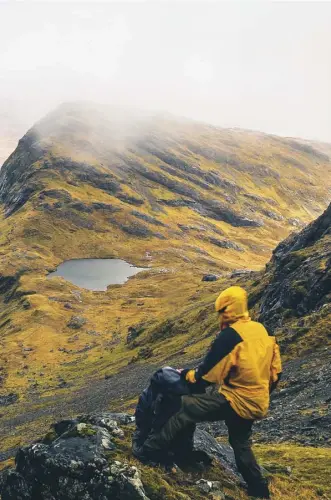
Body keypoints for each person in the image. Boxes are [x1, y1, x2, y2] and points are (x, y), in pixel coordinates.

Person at [142, 286, 282, 499]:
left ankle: (149, 450)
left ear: (228, 309)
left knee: (185, 407)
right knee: (240, 442)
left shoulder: (231, 336)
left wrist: (187, 373)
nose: (220, 316)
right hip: (257, 401)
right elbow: (276, 372)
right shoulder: (265, 330)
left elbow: (207, 375)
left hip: (235, 399)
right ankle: (259, 490)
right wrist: (261, 391)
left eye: (221, 310)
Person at [132, 366, 210, 466]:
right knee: (149, 449)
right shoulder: (166, 400)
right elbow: (152, 426)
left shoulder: (188, 392)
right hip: (155, 419)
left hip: (167, 412)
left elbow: (188, 427)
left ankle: (175, 453)